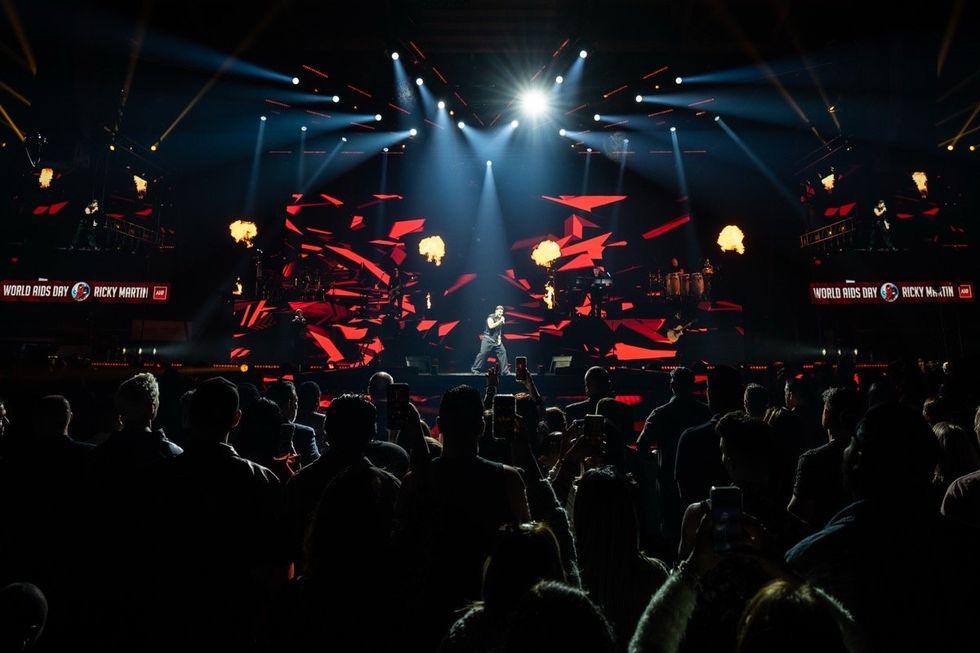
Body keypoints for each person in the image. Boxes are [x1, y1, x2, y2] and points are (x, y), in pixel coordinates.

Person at [471, 305, 509, 374]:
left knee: (503, 352)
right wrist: (500, 321)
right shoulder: (490, 317)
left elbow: (499, 330)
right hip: (488, 339)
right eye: (499, 312)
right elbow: (491, 326)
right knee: (482, 354)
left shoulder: (501, 318)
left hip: (496, 340)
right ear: (496, 311)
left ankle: (505, 371)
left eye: (502, 312)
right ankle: (475, 369)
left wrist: (499, 338)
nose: (501, 313)